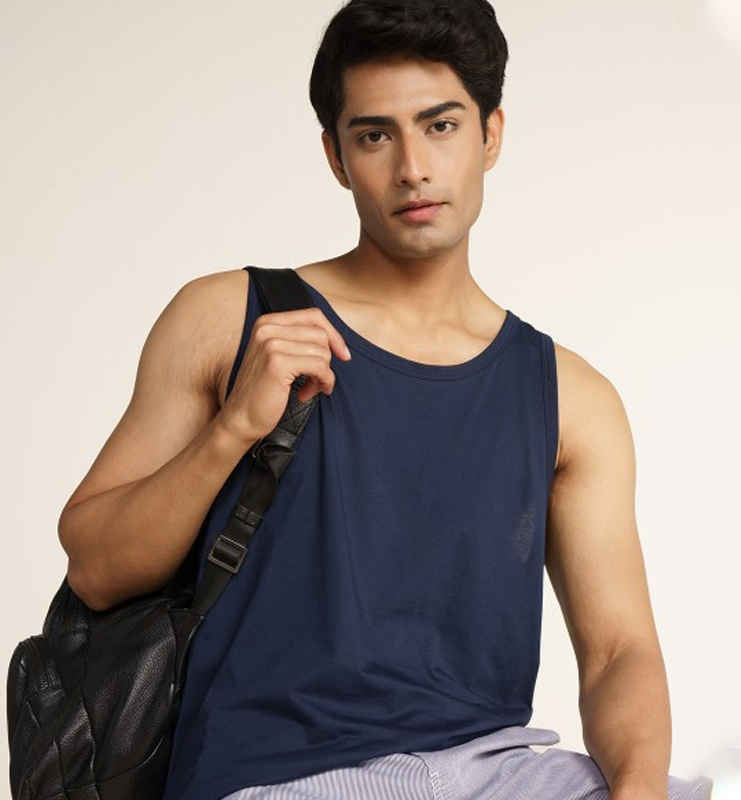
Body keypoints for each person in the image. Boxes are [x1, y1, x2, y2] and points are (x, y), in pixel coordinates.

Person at [58, 1, 708, 799]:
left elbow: (618, 653)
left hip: (496, 770)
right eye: (375, 136)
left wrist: (637, 794)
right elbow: (95, 570)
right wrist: (232, 430)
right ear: (335, 157)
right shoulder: (232, 317)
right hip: (286, 776)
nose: (412, 168)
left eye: (441, 126)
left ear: (491, 135)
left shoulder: (571, 397)